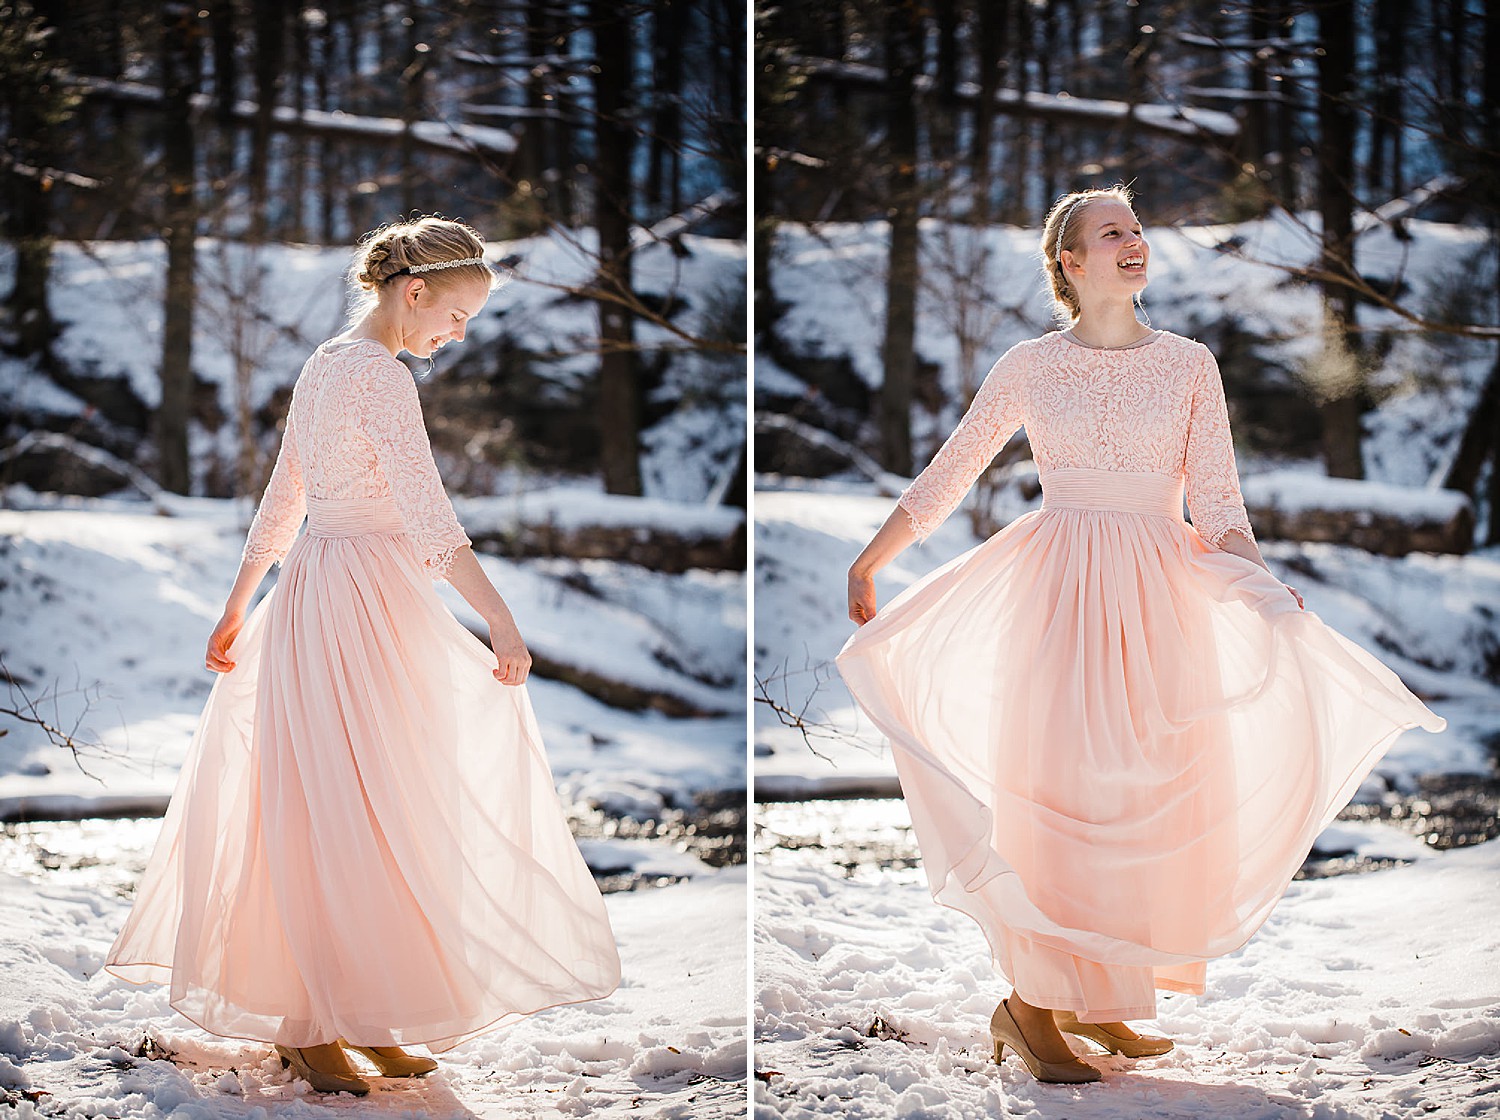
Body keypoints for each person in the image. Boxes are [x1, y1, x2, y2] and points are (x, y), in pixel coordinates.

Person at [835, 186, 1446, 1085]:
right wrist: (871, 559)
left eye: (1137, 230)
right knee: (1067, 790)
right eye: (1110, 233)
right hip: (1060, 590)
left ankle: (1101, 997)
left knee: (1148, 792)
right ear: (1069, 263)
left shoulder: (1190, 364)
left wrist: (1262, 586)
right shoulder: (1032, 364)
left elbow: (1220, 502)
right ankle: (1031, 1007)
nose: (1133, 242)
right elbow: (951, 470)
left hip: (1161, 594)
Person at [104, 216, 621, 1096]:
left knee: (352, 803)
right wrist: (501, 618)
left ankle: (362, 1009)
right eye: (456, 315)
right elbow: (424, 514)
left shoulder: (322, 363)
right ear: (413, 293)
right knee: (362, 803)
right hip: (363, 600)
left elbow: (282, 502)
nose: (459, 335)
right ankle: (311, 1023)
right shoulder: (378, 377)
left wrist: (239, 606)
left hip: (319, 591)